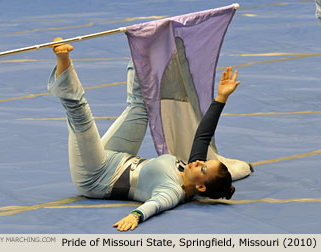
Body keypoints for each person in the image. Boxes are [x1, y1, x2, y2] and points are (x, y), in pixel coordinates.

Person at [48, 38, 240, 232]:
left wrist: (135, 216)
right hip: (117, 156)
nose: (200, 162)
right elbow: (203, 136)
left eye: (204, 169)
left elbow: (156, 204)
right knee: (141, 105)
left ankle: (63, 58)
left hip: (97, 176)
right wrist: (221, 97)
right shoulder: (191, 169)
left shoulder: (173, 191)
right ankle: (143, 44)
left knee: (80, 115)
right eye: (205, 162)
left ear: (200, 188)